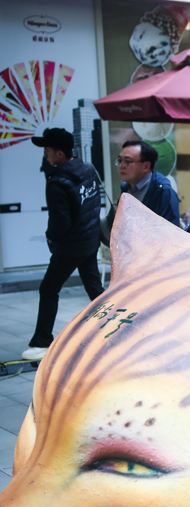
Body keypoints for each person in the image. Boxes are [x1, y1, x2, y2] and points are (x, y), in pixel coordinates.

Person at [23, 128, 105, 361]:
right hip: (89, 240)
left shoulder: (58, 182)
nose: (45, 155)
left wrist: (51, 236)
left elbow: (61, 221)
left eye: (47, 151)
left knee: (49, 288)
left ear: (59, 153)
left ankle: (42, 342)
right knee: (95, 289)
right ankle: (120, 326)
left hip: (70, 246)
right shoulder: (87, 168)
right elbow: (92, 205)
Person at [117, 140, 181, 226]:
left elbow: (172, 230)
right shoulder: (126, 189)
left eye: (127, 161)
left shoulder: (163, 191)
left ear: (146, 166)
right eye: (120, 160)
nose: (121, 165)